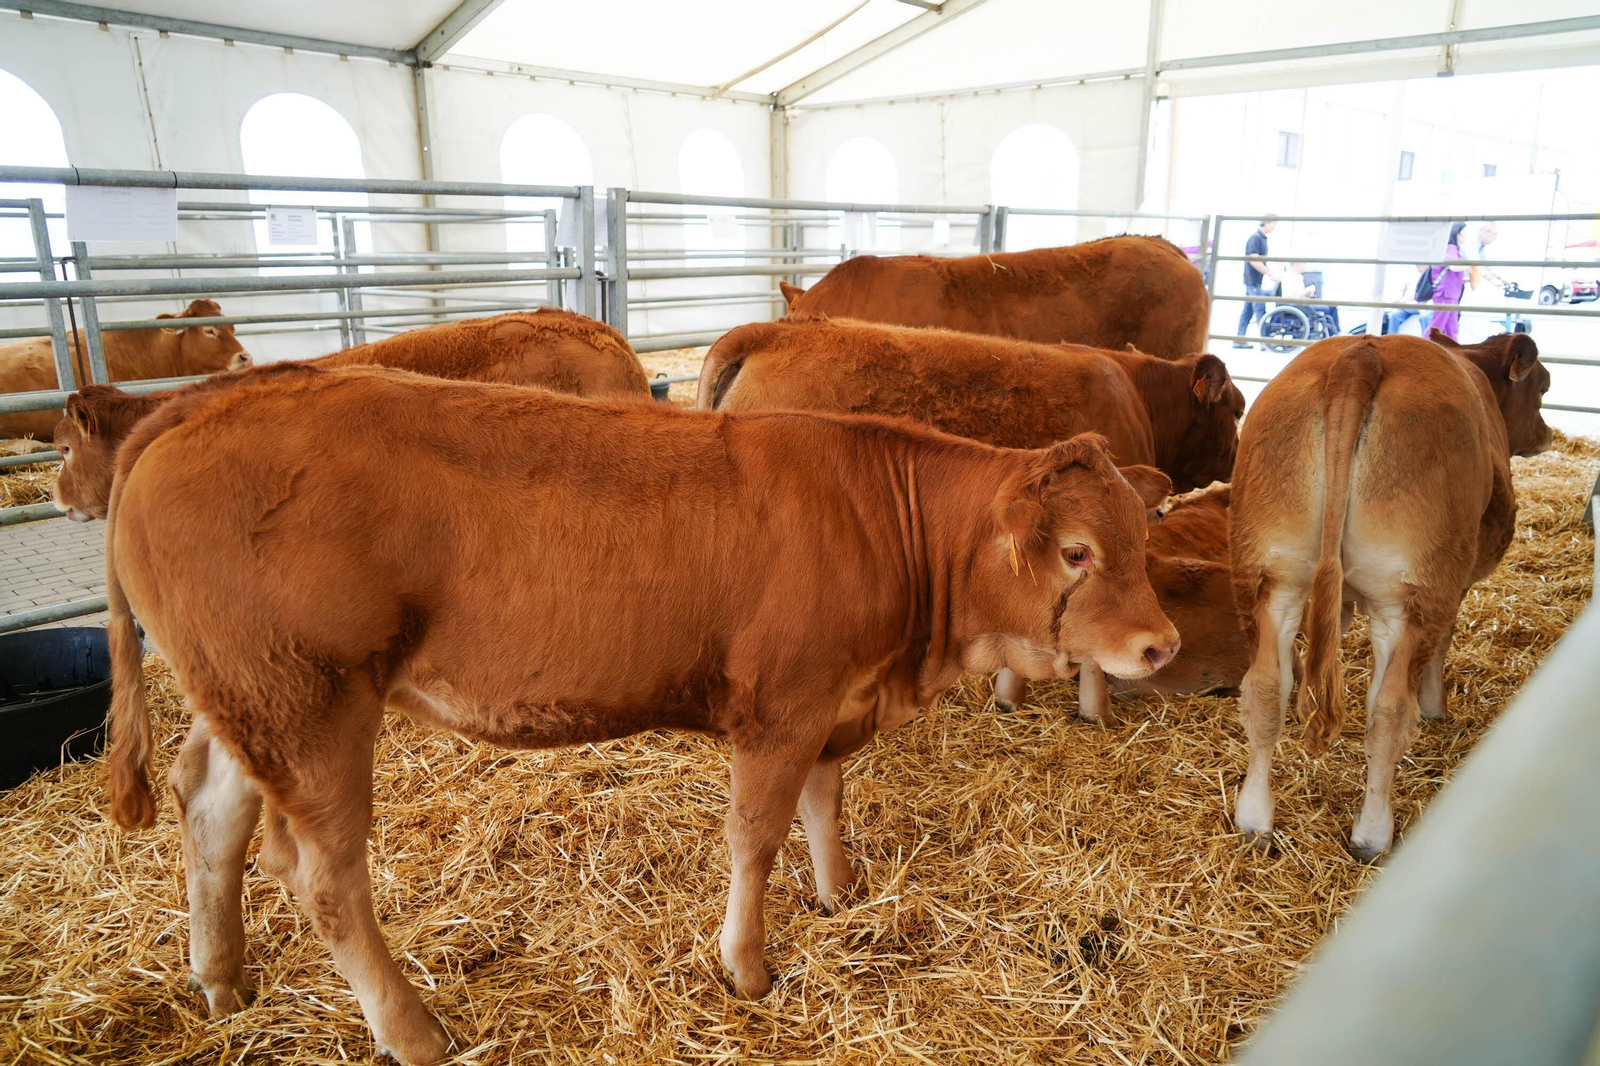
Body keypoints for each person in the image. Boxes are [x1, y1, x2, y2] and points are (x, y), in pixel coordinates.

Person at [1234, 214, 1279, 348]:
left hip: (1255, 280)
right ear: (1266, 222)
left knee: (1248, 310)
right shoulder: (1255, 238)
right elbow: (1253, 260)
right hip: (1253, 279)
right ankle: (1265, 341)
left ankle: (1239, 338)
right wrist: (1269, 273)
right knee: (1260, 308)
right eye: (1274, 223)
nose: (1275, 226)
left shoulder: (1262, 238)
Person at [1427, 221, 1469, 341]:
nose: (1466, 236)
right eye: (1464, 233)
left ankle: (1454, 352)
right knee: (1438, 326)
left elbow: (1451, 272)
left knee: (1451, 326)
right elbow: (1453, 266)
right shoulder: (1450, 248)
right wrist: (1472, 265)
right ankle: (1423, 349)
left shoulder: (1454, 249)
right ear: (1457, 234)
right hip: (1446, 293)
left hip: (1450, 294)